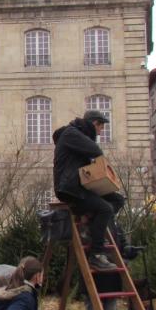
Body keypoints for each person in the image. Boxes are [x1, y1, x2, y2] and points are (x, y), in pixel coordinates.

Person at [52, 111, 125, 270]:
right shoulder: (72, 133)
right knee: (105, 208)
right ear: (94, 123)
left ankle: (91, 229)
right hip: (69, 189)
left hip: (80, 186)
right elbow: (96, 151)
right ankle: (96, 254)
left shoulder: (77, 135)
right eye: (101, 126)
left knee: (117, 200)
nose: (101, 131)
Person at [78, 220, 139, 310]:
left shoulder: (115, 225)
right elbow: (84, 245)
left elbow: (122, 245)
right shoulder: (89, 223)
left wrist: (129, 251)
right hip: (93, 274)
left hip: (112, 275)